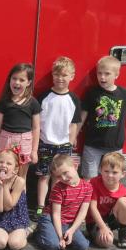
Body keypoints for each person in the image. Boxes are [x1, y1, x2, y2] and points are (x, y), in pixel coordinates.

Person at [34, 56, 81, 219]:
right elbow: (37, 121)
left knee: (59, 178)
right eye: (57, 75)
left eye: (64, 75)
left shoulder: (74, 99)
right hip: (45, 142)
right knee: (44, 176)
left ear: (72, 77)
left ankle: (54, 205)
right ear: (53, 76)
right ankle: (40, 207)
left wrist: (71, 141)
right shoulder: (44, 96)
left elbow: (74, 123)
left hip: (64, 145)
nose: (60, 79)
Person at [35, 154, 92, 250]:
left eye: (65, 173)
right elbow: (56, 214)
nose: (64, 178)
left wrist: (72, 230)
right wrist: (61, 237)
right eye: (59, 176)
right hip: (51, 218)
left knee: (83, 246)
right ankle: (40, 232)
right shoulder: (58, 188)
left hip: (69, 222)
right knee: (53, 245)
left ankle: (55, 234)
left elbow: (83, 212)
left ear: (75, 166)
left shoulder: (87, 187)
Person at [0, 62, 41, 178]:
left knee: (21, 176)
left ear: (28, 83)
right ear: (10, 80)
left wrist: (34, 151)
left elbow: (36, 127)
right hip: (6, 140)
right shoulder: (4, 102)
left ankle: (20, 196)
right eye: (14, 78)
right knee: (3, 174)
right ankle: (3, 195)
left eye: (21, 80)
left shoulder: (33, 103)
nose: (17, 82)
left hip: (25, 141)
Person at [87, 151, 126, 249]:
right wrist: (103, 227)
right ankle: (94, 234)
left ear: (123, 174)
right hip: (95, 221)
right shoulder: (94, 183)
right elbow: (92, 208)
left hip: (111, 220)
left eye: (114, 172)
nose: (110, 175)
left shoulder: (124, 191)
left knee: (125, 202)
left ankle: (124, 236)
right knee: (107, 242)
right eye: (106, 171)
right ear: (100, 170)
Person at [0, 148, 29, 250]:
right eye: (0, 162)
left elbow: (8, 206)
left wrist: (6, 185)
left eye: (9, 164)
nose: (4, 165)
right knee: (0, 243)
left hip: (17, 218)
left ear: (16, 169)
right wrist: (0, 186)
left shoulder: (19, 182)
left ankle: (25, 233)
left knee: (14, 244)